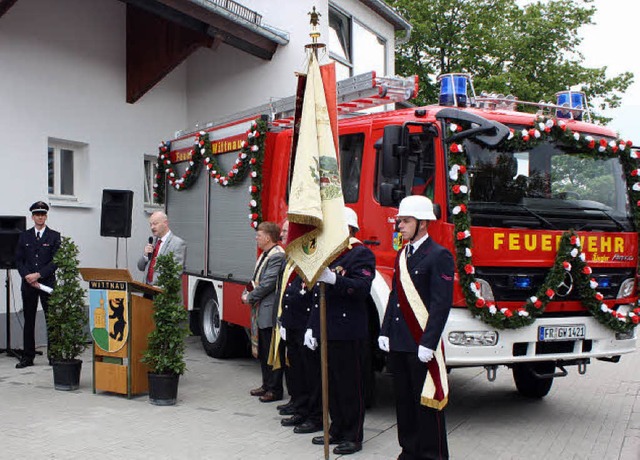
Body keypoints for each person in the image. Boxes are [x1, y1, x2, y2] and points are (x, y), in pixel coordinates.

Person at [379, 195, 454, 460]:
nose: (400, 225)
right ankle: (409, 451)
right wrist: (385, 331)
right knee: (404, 402)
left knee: (427, 404)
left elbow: (440, 304)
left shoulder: (439, 256)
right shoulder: (403, 254)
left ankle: (433, 455)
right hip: (400, 341)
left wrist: (429, 342)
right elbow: (395, 296)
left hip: (421, 344)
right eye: (400, 220)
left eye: (406, 221)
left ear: (423, 223)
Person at [303, 207, 376, 456]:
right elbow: (317, 297)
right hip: (327, 328)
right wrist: (312, 327)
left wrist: (336, 280)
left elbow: (362, 288)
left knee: (349, 386)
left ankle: (353, 435)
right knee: (331, 384)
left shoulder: (360, 254)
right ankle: (336, 429)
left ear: (349, 230)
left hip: (348, 331)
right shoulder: (330, 256)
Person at [242, 221, 286, 403]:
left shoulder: (277, 255)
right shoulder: (265, 254)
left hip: (269, 312)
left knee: (271, 352)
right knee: (263, 350)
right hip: (261, 310)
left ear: (268, 237)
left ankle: (275, 389)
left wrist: (250, 297)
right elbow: (256, 280)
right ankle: (266, 384)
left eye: (259, 235)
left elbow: (268, 283)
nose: (256, 238)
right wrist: (248, 291)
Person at [14, 201, 61, 369]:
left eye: (43, 214)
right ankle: (28, 357)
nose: (40, 217)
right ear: (32, 217)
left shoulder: (54, 236)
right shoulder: (24, 236)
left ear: (46, 216)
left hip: (46, 283)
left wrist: (38, 275)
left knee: (52, 319)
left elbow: (55, 261)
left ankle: (54, 355)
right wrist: (27, 276)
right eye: (37, 214)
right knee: (29, 320)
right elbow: (19, 260)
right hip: (28, 284)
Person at [137, 211, 186, 285]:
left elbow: (176, 273)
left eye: (155, 224)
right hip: (147, 289)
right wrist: (145, 256)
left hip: (163, 293)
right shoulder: (152, 241)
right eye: (150, 224)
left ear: (165, 223)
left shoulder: (177, 243)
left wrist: (159, 287)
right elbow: (141, 267)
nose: (152, 227)